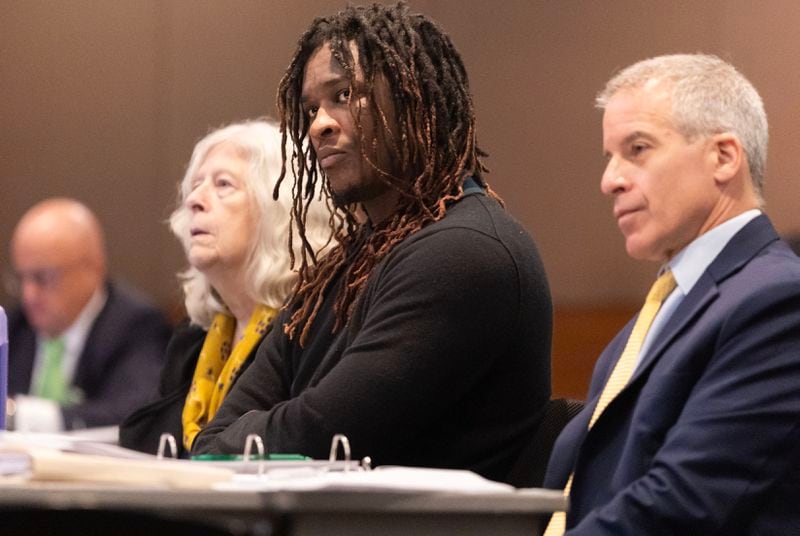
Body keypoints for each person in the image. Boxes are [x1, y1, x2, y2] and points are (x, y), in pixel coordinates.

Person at [192, 2, 552, 485]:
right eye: (311, 109)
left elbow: (324, 437)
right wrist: (257, 435)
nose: (319, 124)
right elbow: (214, 439)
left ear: (413, 98)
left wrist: (255, 435)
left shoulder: (464, 253)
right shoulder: (344, 264)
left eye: (344, 95)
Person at [543, 54, 800, 535]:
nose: (610, 180)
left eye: (637, 149)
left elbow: (686, 500)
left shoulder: (779, 302)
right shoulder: (658, 312)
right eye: (610, 157)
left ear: (724, 156)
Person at [119, 119, 333, 456]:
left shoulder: (312, 328)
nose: (194, 201)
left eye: (223, 184)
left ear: (278, 208)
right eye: (196, 185)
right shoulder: (194, 338)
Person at [5, 198, 170, 431]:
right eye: (22, 279)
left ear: (93, 267)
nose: (28, 295)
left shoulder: (136, 326)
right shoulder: (14, 328)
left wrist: (15, 414)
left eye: (43, 278)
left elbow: (133, 414)